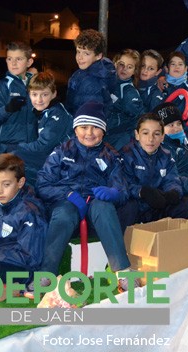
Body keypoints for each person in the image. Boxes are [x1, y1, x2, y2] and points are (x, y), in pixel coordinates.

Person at [33, 101, 137, 292]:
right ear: (75, 128)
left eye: (95, 127)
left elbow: (122, 189)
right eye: (83, 127)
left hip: (96, 213)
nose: (89, 133)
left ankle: (122, 271)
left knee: (104, 206)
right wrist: (67, 194)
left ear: (104, 131)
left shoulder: (110, 155)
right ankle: (46, 273)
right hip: (67, 207)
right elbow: (42, 184)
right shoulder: (62, 151)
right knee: (64, 212)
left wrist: (113, 193)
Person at [0, 153, 47, 300]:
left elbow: (31, 257)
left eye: (6, 184)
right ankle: (3, 288)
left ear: (20, 182)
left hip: (24, 269)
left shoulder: (29, 212)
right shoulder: (4, 205)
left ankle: (16, 287)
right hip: (1, 262)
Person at [121, 113, 188, 223]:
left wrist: (172, 193)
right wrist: (142, 192)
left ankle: (173, 238)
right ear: (137, 134)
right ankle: (129, 239)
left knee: (186, 204)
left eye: (156, 134)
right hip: (137, 205)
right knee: (128, 207)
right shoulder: (126, 155)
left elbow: (172, 181)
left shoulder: (166, 156)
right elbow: (122, 185)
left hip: (158, 204)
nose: (151, 139)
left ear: (162, 137)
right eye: (145, 133)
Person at [13, 72, 73, 189]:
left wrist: (18, 147)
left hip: (66, 164)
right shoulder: (44, 112)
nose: (39, 99)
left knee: (14, 159)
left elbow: (43, 146)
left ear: (53, 94)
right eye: (34, 94)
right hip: (54, 158)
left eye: (44, 95)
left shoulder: (57, 114)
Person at [0, 42, 36, 156]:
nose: (13, 63)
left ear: (29, 62)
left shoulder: (36, 84)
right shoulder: (3, 85)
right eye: (10, 59)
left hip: (31, 144)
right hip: (7, 146)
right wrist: (8, 109)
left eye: (19, 59)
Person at [65, 29, 116, 116]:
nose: (80, 57)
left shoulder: (91, 82)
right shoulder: (85, 72)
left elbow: (90, 117)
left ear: (98, 56)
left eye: (86, 54)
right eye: (78, 52)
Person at [106, 49, 144, 150]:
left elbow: (136, 116)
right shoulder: (109, 83)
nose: (124, 69)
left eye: (129, 67)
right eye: (121, 64)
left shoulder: (129, 91)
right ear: (115, 64)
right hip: (107, 135)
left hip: (120, 140)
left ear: (134, 71)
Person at [158, 51, 188, 119]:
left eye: (180, 64)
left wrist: (182, 127)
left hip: (186, 129)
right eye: (173, 64)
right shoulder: (160, 86)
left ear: (186, 69)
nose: (177, 67)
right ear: (166, 68)